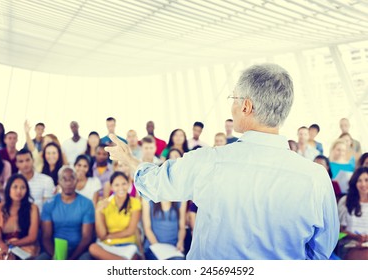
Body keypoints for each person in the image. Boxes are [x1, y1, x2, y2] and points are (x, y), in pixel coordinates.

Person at [106, 63, 339, 259]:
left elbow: (158, 184)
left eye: (234, 98)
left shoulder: (208, 161)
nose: (233, 105)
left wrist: (129, 160)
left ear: (246, 106)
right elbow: (320, 251)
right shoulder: (316, 178)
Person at [38, 166, 94, 260]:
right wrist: (56, 257)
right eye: (64, 179)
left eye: (71, 178)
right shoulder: (49, 204)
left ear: (76, 180)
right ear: (58, 181)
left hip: (79, 250)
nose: (68, 183)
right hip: (55, 250)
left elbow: (86, 237)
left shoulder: (86, 203)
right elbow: (46, 237)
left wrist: (71, 260)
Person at [89, 171, 141, 260]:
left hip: (127, 244)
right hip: (107, 245)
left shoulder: (135, 203)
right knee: (93, 248)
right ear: (112, 187)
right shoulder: (103, 204)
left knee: (135, 256)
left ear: (128, 184)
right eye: (117, 185)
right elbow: (101, 235)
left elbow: (130, 231)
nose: (121, 188)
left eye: (124, 184)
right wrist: (97, 212)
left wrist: (108, 236)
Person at [0, 174, 40, 260]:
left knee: (11, 258)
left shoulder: (33, 208)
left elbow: (32, 237)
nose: (19, 191)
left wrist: (14, 244)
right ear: (8, 189)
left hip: (24, 245)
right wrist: (3, 246)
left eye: (23, 187)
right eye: (15, 187)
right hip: (2, 245)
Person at [338, 167, 368, 259]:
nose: (363, 184)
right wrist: (355, 237)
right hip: (349, 244)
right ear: (355, 183)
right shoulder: (345, 201)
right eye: (359, 180)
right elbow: (339, 230)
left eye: (366, 180)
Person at [16, 149, 55, 213]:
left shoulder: (47, 180)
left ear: (33, 161)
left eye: (27, 160)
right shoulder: (10, 183)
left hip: (41, 220)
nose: (25, 164)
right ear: (17, 164)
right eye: (21, 161)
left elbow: (48, 209)